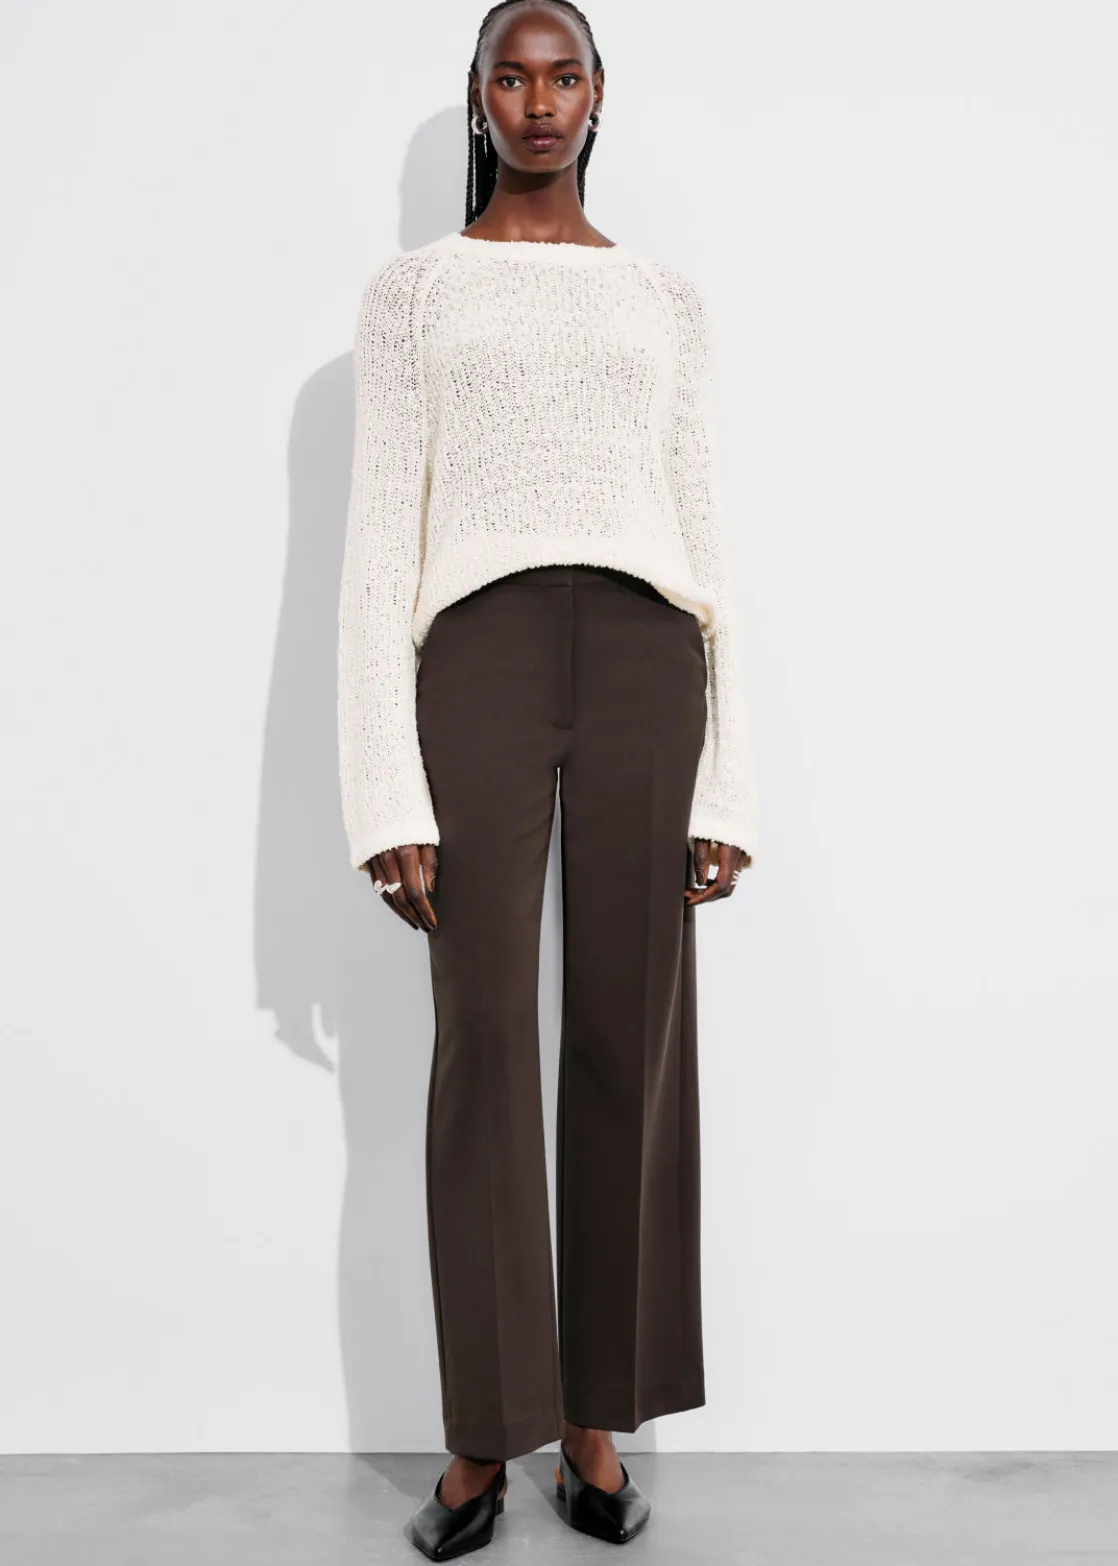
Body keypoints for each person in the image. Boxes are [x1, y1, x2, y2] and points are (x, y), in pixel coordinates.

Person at [336, 0, 759, 1555]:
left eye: (561, 73)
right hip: (482, 653)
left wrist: (730, 781)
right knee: (484, 1034)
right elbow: (377, 542)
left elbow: (704, 531)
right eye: (508, 77)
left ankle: (593, 1420)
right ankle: (479, 1434)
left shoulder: (662, 297)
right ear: (475, 100)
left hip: (647, 654)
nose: (536, 100)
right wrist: (384, 789)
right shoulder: (414, 294)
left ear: (595, 95)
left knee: (629, 1036)